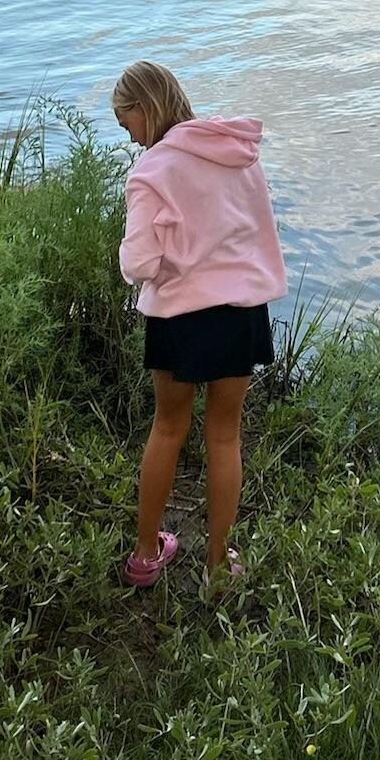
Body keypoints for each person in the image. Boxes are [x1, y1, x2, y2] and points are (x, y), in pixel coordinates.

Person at [112, 61, 286, 589]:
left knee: (168, 428)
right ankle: (217, 564)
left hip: (180, 316)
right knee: (225, 436)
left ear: (145, 108)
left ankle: (146, 556)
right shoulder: (239, 155)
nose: (132, 138)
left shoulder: (153, 171)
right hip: (240, 312)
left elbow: (138, 263)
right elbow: (257, 231)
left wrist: (149, 262)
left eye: (128, 125)